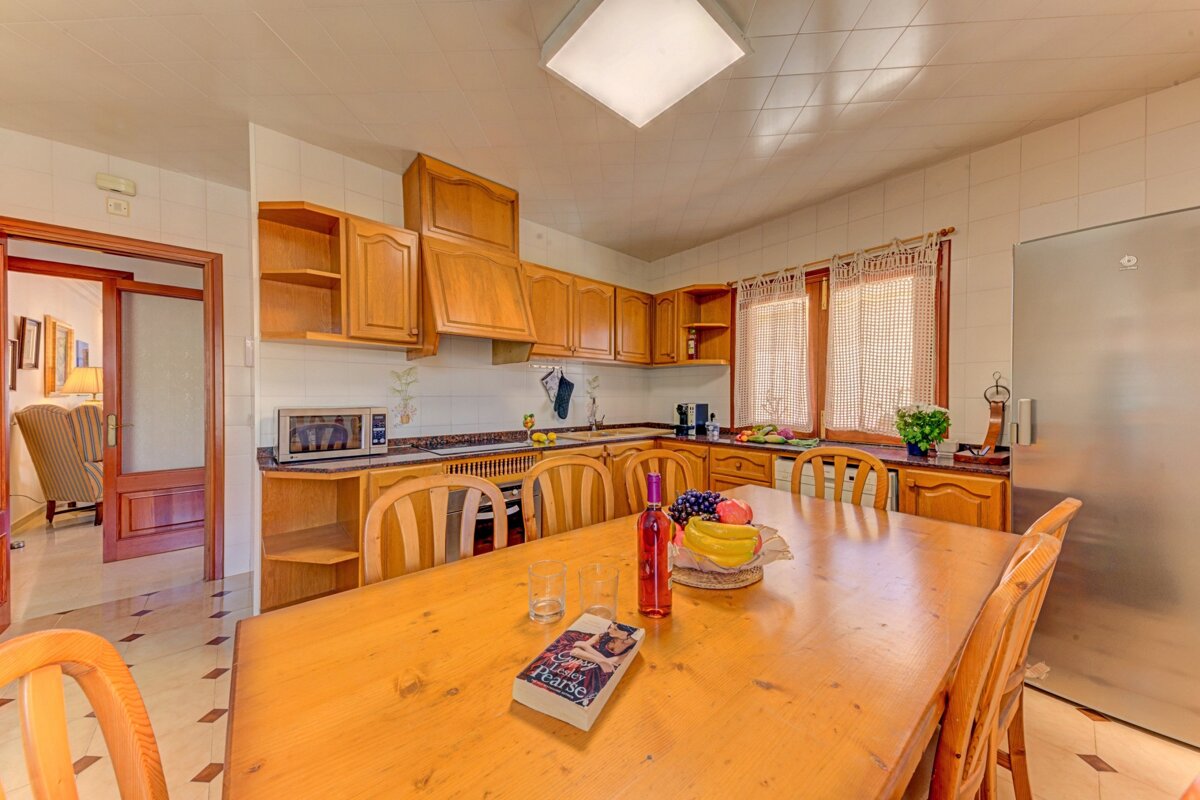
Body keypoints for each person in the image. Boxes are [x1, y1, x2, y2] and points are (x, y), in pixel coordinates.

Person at [569, 623, 636, 674]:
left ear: (626, 633)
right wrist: (599, 660)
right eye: (610, 627)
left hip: (601, 671)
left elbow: (612, 663)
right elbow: (575, 651)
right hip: (590, 665)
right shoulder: (604, 635)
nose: (609, 630)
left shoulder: (631, 647)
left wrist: (586, 647)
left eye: (615, 629)